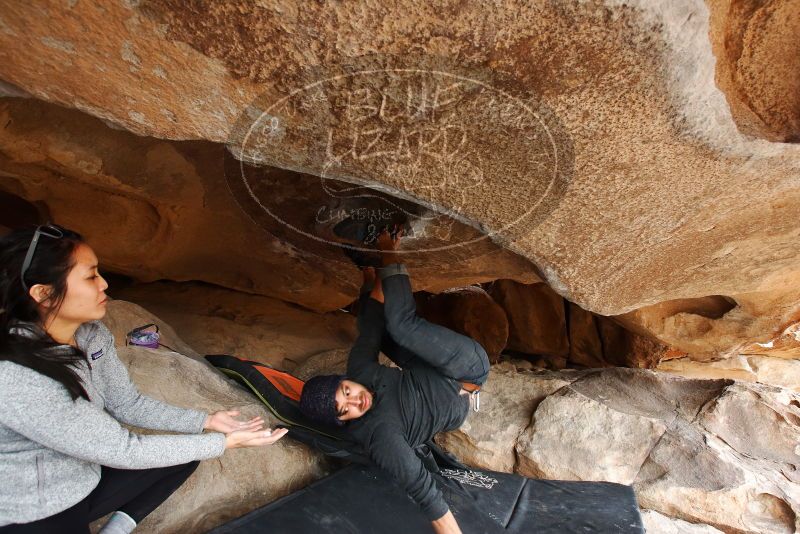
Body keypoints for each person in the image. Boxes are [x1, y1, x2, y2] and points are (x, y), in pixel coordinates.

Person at [0, 223, 289, 533]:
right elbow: (124, 450)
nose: (104, 283)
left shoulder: (91, 337)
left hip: (83, 478)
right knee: (200, 447)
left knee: (186, 452)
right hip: (33, 508)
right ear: (44, 293)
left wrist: (206, 422)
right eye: (90, 276)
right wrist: (226, 442)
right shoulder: (18, 376)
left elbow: (126, 402)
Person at [299, 226, 490, 534]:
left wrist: (371, 280)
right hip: (467, 373)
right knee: (401, 326)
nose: (354, 400)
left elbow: (371, 326)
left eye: (346, 391)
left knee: (380, 334)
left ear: (346, 380)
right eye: (343, 409)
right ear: (343, 421)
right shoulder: (380, 437)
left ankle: (370, 268)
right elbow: (423, 490)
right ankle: (389, 247)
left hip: (430, 372)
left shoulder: (359, 370)